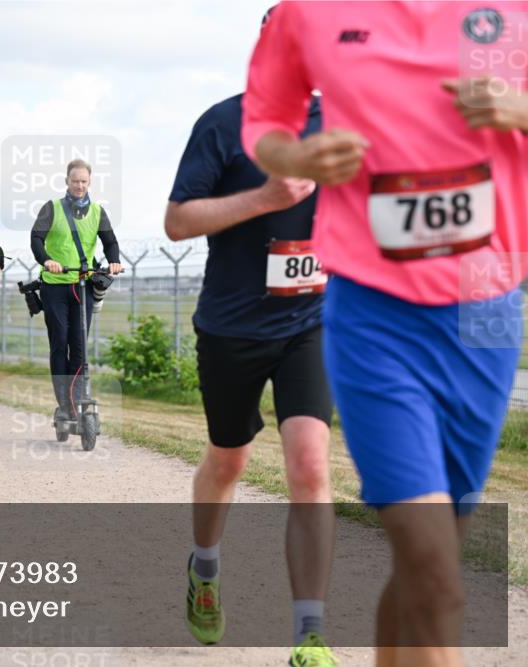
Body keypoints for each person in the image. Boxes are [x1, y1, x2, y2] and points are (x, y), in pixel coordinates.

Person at [242, 3, 527, 665]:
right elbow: (265, 121)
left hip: (486, 309)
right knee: (436, 572)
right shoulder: (308, 14)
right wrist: (298, 153)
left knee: (429, 561)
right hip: (376, 311)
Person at [164, 60, 336, 662]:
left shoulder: (347, 119)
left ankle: (309, 634)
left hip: (310, 322)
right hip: (232, 329)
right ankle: (204, 570)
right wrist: (263, 197)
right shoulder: (224, 122)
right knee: (229, 459)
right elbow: (179, 220)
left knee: (311, 465)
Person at [30, 158, 122, 422]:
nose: (79, 185)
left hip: (82, 285)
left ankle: (77, 399)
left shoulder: (97, 212)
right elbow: (36, 238)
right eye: (75, 181)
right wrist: (47, 260)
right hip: (55, 286)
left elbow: (110, 241)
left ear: (89, 181)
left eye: (84, 181)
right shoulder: (52, 208)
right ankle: (64, 404)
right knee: (60, 343)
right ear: (67, 182)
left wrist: (113, 260)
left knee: (79, 345)